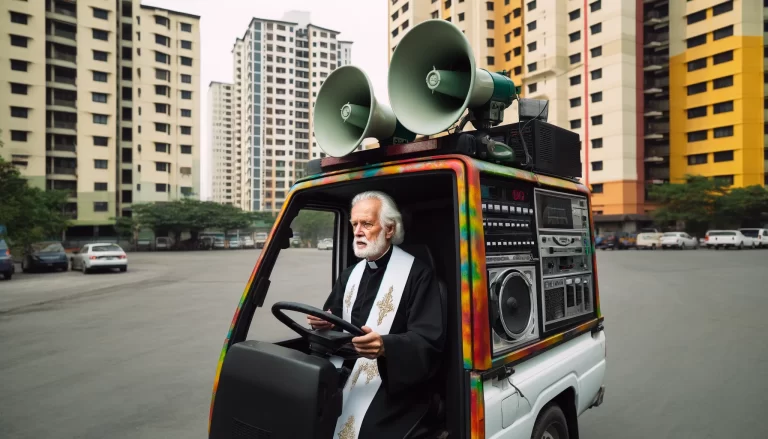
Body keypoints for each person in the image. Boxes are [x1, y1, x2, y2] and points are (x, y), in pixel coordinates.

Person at [307, 190, 446, 439]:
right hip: (344, 369)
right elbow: (336, 316)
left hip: (392, 379)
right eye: (354, 224)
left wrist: (384, 346)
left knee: (368, 430)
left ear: (389, 229)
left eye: (367, 224)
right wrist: (324, 321)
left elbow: (428, 341)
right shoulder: (350, 274)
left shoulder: (418, 275)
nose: (358, 231)